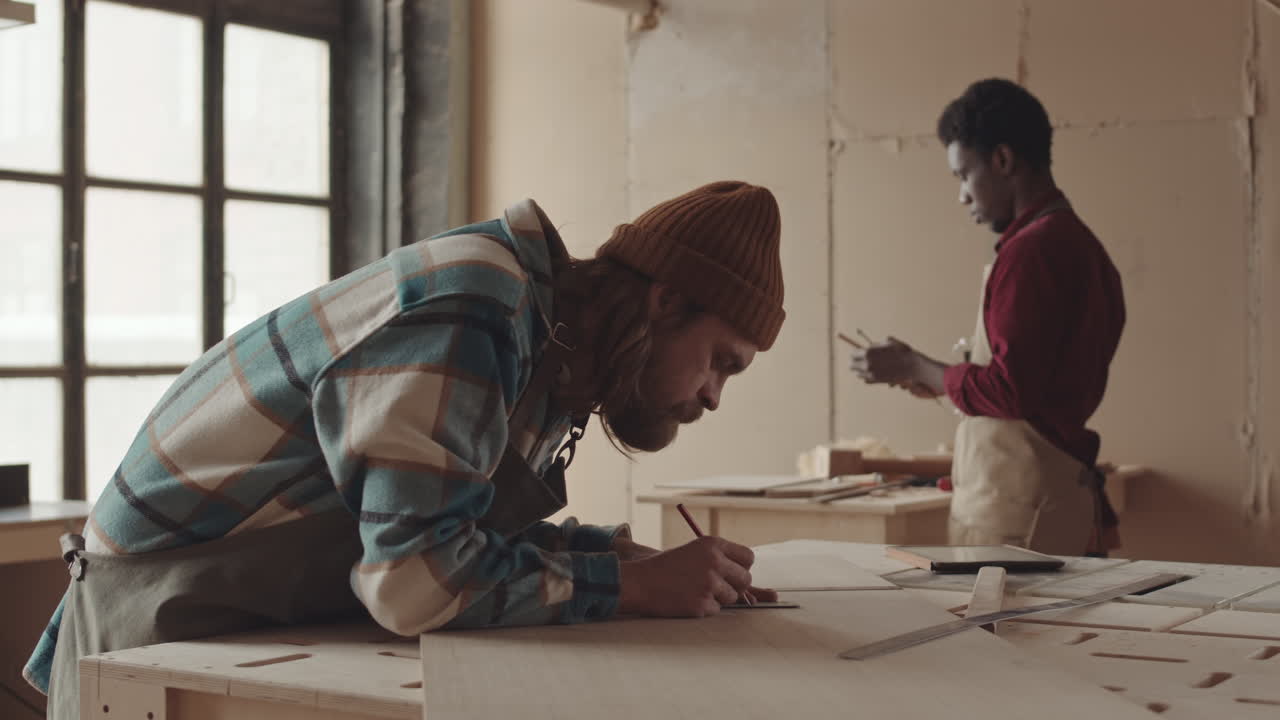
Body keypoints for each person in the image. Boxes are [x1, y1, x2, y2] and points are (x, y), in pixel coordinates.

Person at [28, 180, 786, 718]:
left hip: (243, 625)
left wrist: (620, 559)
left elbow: (451, 530)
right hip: (154, 637)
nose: (715, 395)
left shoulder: (548, 344)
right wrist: (636, 592)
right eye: (722, 360)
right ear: (665, 303)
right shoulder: (477, 307)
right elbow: (416, 582)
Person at [850, 78, 1125, 557]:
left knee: (1005, 635)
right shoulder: (1082, 246)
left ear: (1002, 160)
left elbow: (1011, 390)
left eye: (963, 175)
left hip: (1018, 518)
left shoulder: (1031, 253)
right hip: (1055, 502)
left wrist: (915, 365)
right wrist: (938, 380)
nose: (962, 195)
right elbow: (1040, 388)